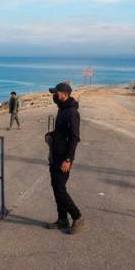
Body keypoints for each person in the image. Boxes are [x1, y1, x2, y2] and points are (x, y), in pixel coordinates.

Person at [43, 82, 84, 234]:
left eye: (57, 93)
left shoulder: (72, 112)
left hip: (63, 157)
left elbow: (74, 137)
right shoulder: (62, 109)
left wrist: (68, 159)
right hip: (55, 154)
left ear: (65, 94)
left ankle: (77, 216)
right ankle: (62, 220)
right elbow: (61, 132)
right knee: (56, 188)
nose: (54, 95)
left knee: (60, 189)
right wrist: (50, 135)